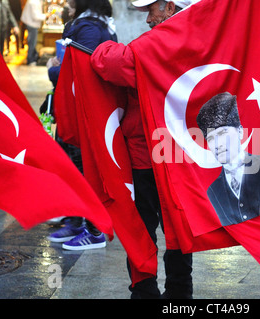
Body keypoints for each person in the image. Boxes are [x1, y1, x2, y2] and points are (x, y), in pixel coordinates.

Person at [90, 0, 195, 299]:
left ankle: (144, 290)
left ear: (169, 7)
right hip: (179, 155)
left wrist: (99, 46)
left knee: (142, 230)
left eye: (152, 10)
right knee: (177, 228)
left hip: (146, 155)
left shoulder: (154, 46)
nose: (148, 19)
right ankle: (179, 292)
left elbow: (110, 63)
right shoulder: (199, 41)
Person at [46, 0, 118, 251]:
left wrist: (54, 71)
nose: (66, 3)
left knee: (82, 168)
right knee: (73, 166)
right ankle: (76, 220)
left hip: (82, 110)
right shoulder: (92, 25)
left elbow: (81, 72)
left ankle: (93, 228)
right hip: (77, 108)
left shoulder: (89, 28)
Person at [196, 92, 260, 226]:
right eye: (211, 138)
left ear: (240, 131)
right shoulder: (214, 191)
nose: (217, 144)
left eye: (222, 133)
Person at [20, 0, 48, 65]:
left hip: (32, 24)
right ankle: (30, 60)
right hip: (31, 24)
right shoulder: (33, 2)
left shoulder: (35, 2)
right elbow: (35, 16)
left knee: (32, 42)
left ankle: (32, 58)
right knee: (32, 42)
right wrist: (45, 16)